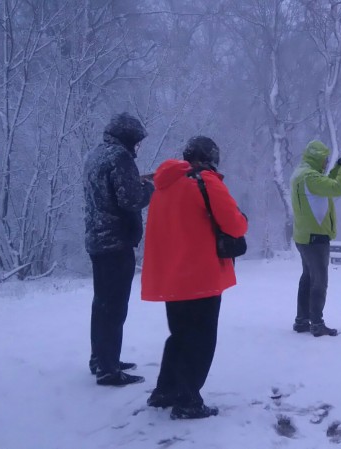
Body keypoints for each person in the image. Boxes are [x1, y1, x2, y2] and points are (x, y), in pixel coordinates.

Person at [141, 136, 248, 420]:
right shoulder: (206, 182)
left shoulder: (164, 185)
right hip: (201, 276)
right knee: (200, 340)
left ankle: (165, 391)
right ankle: (188, 401)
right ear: (211, 157)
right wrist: (242, 218)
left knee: (179, 336)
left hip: (172, 277)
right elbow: (235, 224)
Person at [83, 112, 154, 386]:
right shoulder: (119, 158)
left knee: (101, 304)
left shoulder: (96, 155)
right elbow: (130, 200)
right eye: (135, 141)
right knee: (114, 307)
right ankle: (109, 369)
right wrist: (149, 187)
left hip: (97, 241)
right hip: (116, 242)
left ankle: (100, 358)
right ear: (127, 137)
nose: (136, 147)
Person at [290, 140, 341, 337]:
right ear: (317, 158)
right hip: (315, 239)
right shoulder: (310, 177)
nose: (326, 163)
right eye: (325, 160)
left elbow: (326, 184)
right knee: (319, 281)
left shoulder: (302, 173)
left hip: (304, 236)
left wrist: (339, 165)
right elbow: (337, 188)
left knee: (308, 278)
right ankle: (316, 324)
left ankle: (302, 321)